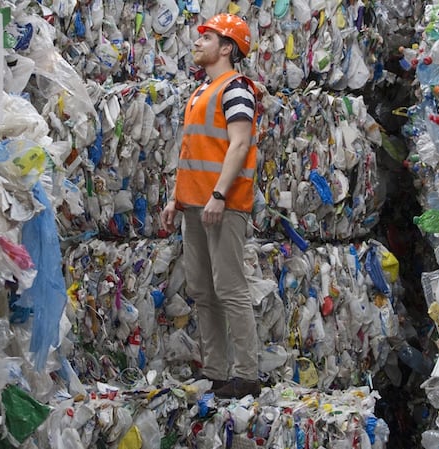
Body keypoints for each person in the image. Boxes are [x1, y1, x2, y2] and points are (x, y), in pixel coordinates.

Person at [159, 13, 261, 399]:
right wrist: (176, 198)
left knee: (230, 288)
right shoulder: (202, 91)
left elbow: (238, 144)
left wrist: (219, 194)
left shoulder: (236, 89)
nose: (198, 42)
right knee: (202, 290)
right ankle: (217, 371)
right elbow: (192, 151)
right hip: (194, 206)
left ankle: (247, 375)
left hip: (223, 204)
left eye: (208, 37)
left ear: (227, 48)